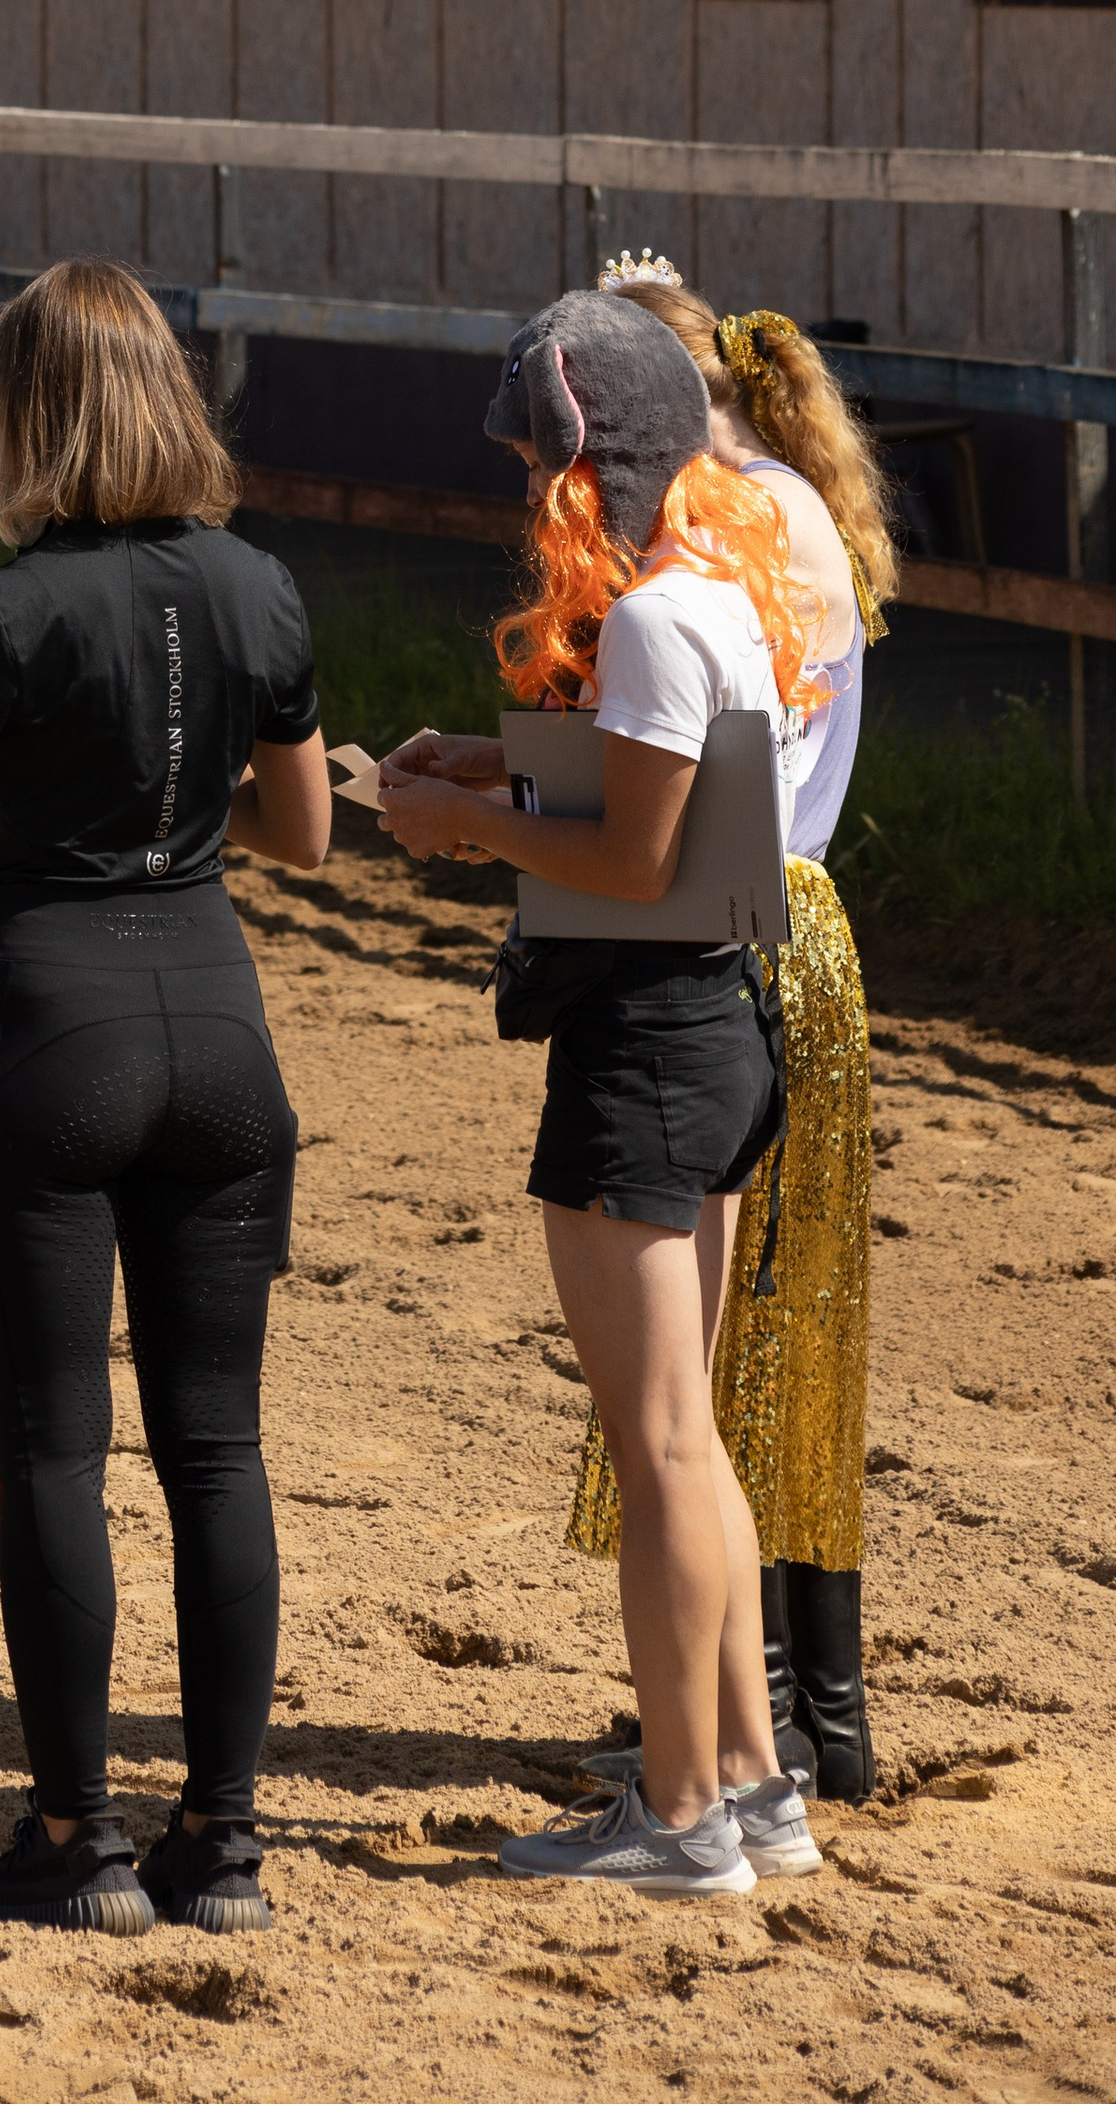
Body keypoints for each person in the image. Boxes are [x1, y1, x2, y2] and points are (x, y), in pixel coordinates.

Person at [0, 262, 331, 1937]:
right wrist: (171, 796)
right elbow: (309, 836)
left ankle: (76, 1835)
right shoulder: (263, 588)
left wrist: (14, 792)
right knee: (220, 1449)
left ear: (32, 419)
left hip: (51, 1024)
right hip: (219, 1021)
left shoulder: (6, 611)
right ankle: (230, 1837)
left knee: (58, 1446)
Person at [377, 289, 823, 1901]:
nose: (523, 498)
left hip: (640, 1049)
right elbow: (675, 808)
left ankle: (682, 1812)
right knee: (693, 1441)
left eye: (535, 467)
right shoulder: (718, 585)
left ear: (596, 463)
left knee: (657, 1451)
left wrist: (467, 832)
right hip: (720, 1028)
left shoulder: (643, 618)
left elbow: (635, 861)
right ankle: (755, 1789)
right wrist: (494, 768)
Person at [567, 253, 897, 1802]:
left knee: (726, 1367)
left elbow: (662, 796)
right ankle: (796, 1712)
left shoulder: (718, 529)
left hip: (736, 929)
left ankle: (751, 1711)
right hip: (790, 922)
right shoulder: (786, 506)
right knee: (775, 1343)